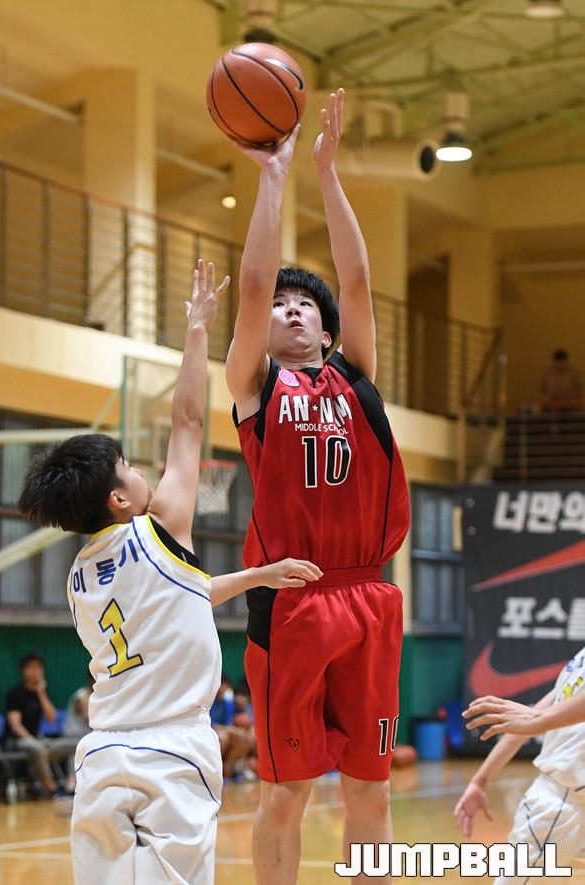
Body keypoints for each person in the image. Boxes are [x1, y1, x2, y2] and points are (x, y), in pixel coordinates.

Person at [18, 259, 322, 885]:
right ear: (119, 499)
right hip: (173, 750)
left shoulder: (80, 577)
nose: (141, 472)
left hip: (102, 755)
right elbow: (187, 423)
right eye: (129, 469)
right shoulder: (160, 526)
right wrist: (197, 329)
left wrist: (259, 575)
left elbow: (183, 597)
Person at [226, 89, 410, 884]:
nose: (292, 311)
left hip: (368, 594)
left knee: (371, 790)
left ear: (328, 331)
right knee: (286, 792)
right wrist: (274, 177)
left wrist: (327, 174)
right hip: (293, 600)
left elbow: (358, 278)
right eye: (282, 306)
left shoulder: (355, 379)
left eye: (306, 305)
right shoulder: (257, 387)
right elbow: (252, 285)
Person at [456, 647, 585, 883]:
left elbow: (534, 718)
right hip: (564, 800)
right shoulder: (580, 659)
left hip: (563, 804)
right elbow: (527, 721)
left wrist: (537, 719)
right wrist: (480, 779)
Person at [4, 652, 78, 797]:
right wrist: (35, 742)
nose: (34, 671)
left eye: (38, 668)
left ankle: (71, 784)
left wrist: (41, 693)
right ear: (23, 671)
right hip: (16, 741)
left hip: (39, 741)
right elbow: (15, 726)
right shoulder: (14, 694)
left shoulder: (40, 692)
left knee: (77, 744)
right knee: (36, 747)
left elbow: (52, 718)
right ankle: (52, 789)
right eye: (30, 668)